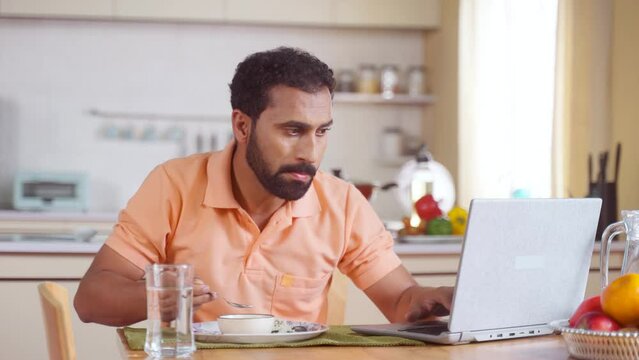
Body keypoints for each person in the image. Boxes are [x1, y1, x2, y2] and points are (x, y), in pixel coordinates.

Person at [74, 46, 453, 326]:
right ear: (242, 126)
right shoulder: (173, 185)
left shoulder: (342, 203)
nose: (310, 152)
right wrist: (162, 297)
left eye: (322, 132)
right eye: (293, 130)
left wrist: (431, 299)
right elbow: (91, 299)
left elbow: (401, 301)